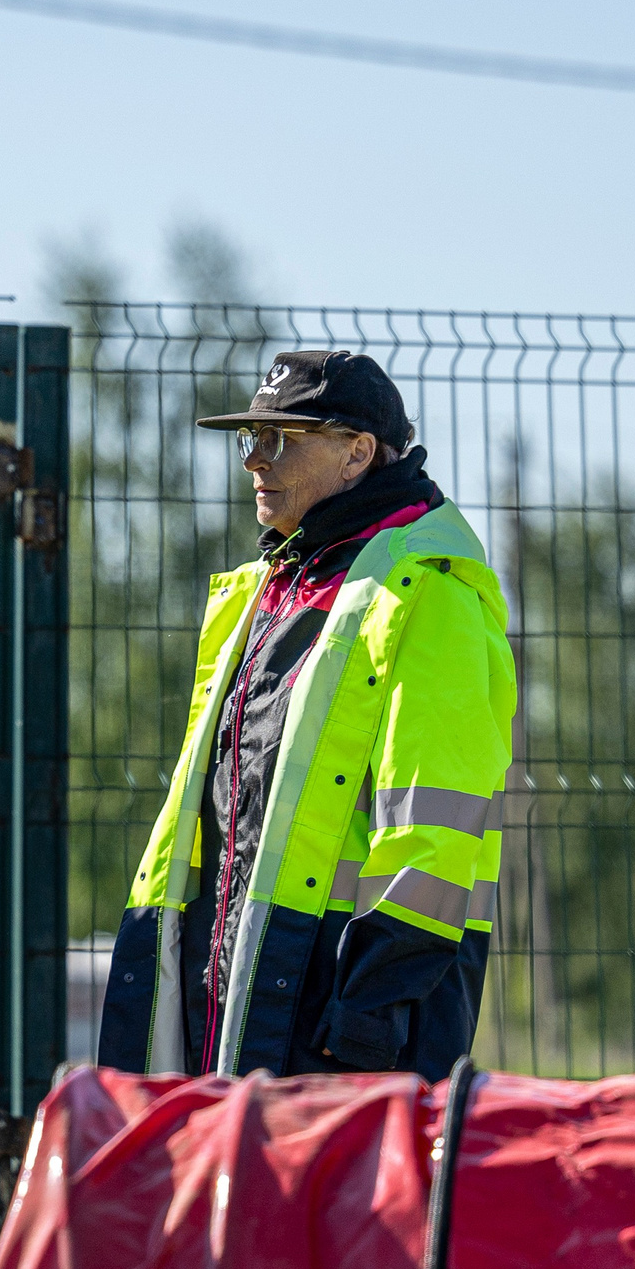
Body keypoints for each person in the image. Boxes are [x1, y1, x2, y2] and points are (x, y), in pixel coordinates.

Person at [94, 350, 515, 1082]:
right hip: (234, 985)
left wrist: (367, 1014)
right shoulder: (265, 592)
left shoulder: (428, 590)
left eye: (281, 437)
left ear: (357, 452)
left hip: (338, 1010)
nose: (256, 459)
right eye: (248, 439)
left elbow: (432, 837)